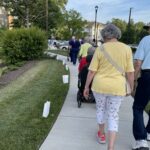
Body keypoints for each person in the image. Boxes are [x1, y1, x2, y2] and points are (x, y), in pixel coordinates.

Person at [83, 24, 134, 150]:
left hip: (100, 86)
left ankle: (101, 135)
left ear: (105, 35)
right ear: (117, 34)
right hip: (117, 88)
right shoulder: (127, 49)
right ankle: (110, 147)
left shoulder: (100, 49)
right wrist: (131, 87)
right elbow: (130, 72)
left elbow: (92, 71)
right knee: (113, 114)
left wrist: (86, 87)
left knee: (100, 110)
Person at [132, 24, 150, 150]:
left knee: (138, 107)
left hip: (148, 75)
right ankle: (148, 131)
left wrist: (133, 80)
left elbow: (138, 62)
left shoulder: (146, 40)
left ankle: (141, 140)